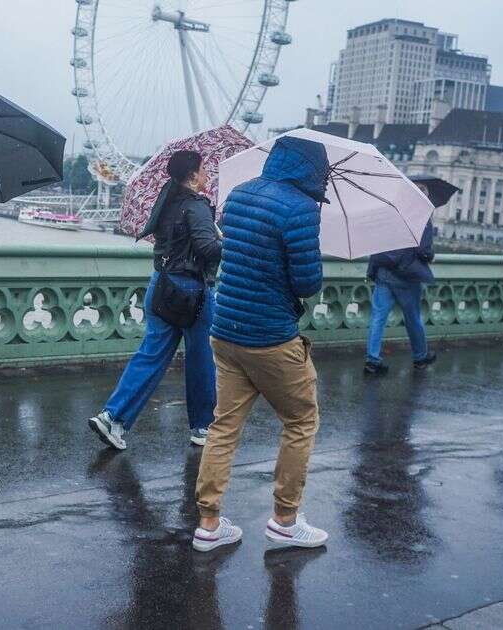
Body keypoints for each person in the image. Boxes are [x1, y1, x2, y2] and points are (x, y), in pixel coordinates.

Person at [192, 136, 329, 552]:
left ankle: (209, 524)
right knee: (301, 421)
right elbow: (307, 282)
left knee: (223, 427)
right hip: (270, 337)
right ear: (312, 171)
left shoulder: (240, 194)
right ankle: (286, 520)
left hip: (226, 329)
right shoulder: (301, 209)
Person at [86, 150, 222, 451]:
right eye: (204, 170)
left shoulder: (166, 200)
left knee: (151, 354)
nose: (207, 174)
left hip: (160, 286)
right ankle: (202, 426)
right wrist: (226, 244)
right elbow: (206, 249)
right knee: (200, 359)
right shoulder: (198, 207)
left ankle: (113, 418)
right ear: (193, 175)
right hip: (190, 293)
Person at [363, 195, 437, 375]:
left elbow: (376, 244)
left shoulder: (388, 214)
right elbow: (424, 250)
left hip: (383, 272)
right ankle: (420, 357)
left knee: (377, 318)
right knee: (413, 318)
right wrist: (430, 256)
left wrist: (372, 271)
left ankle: (372, 361)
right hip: (406, 277)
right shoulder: (422, 218)